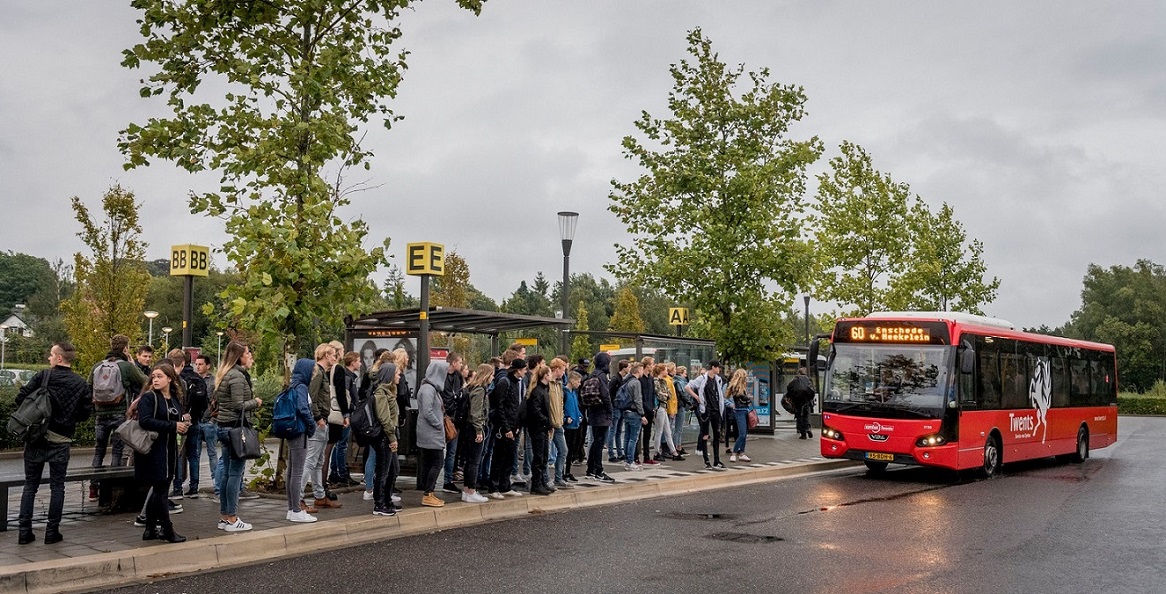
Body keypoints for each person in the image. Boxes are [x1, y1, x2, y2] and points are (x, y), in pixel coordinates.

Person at [16, 342, 93, 545]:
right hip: (61, 440)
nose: (49, 358)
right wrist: (67, 418)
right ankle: (52, 532)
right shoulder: (80, 383)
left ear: (59, 358)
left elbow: (20, 398)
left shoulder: (43, 376)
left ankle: (24, 532)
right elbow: (85, 414)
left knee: (30, 486)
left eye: (51, 354)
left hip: (36, 438)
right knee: (57, 487)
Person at [135, 363, 190, 543]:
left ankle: (150, 528)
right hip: (154, 450)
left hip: (170, 449)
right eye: (154, 376)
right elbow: (144, 421)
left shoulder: (174, 398)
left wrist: (182, 425)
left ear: (170, 379)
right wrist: (173, 426)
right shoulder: (149, 397)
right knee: (161, 489)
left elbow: (176, 418)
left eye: (160, 376)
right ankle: (167, 528)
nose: (156, 380)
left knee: (162, 487)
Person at [89, 334, 147, 502]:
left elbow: (89, 387)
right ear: (125, 348)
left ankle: (93, 488)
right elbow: (145, 380)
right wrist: (132, 363)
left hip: (100, 414)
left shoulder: (97, 366)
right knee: (117, 451)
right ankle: (112, 488)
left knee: (99, 450)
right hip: (120, 413)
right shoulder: (126, 367)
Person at [214, 340, 261, 532]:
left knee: (227, 474)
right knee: (235, 474)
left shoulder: (225, 373)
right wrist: (255, 402)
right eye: (248, 353)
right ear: (239, 357)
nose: (250, 357)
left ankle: (225, 517)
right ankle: (233, 518)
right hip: (235, 429)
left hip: (224, 427)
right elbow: (238, 405)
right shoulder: (237, 376)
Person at [302, 343, 341, 512]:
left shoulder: (321, 373)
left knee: (319, 461)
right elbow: (312, 397)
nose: (335, 358)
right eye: (333, 355)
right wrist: (318, 418)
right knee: (311, 460)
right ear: (326, 355)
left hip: (322, 420)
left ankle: (319, 496)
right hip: (318, 421)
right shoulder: (318, 373)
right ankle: (299, 498)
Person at [170, 349, 209, 499]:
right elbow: (204, 403)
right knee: (193, 455)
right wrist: (195, 416)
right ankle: (194, 488)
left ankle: (177, 488)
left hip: (179, 422)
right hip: (195, 421)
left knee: (178, 455)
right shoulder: (198, 378)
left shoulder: (177, 379)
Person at [285, 358, 319, 523]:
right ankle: (296, 510)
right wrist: (311, 425)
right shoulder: (302, 387)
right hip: (300, 430)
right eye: (312, 371)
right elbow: (303, 408)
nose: (313, 375)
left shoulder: (293, 384)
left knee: (292, 471)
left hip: (292, 430)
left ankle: (292, 509)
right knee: (297, 472)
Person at [488, 357, 526, 499]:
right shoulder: (505, 382)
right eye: (524, 369)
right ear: (518, 370)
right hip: (503, 427)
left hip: (513, 425)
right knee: (499, 456)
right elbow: (500, 406)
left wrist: (516, 426)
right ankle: (494, 486)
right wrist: (506, 427)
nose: (525, 372)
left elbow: (515, 407)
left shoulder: (515, 383)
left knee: (509, 457)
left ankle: (505, 485)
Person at [415, 360, 449, 507]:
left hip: (430, 432)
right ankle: (428, 493)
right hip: (431, 432)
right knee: (438, 462)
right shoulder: (428, 390)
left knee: (432, 462)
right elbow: (427, 411)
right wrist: (438, 424)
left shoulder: (430, 388)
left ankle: (429, 492)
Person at [371, 362, 402, 515]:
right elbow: (384, 417)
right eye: (397, 373)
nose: (399, 376)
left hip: (389, 435)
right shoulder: (381, 393)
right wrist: (392, 437)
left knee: (393, 469)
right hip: (384, 437)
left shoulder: (389, 391)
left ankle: (387, 499)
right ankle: (379, 503)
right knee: (383, 470)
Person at [460, 363, 492, 503]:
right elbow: (475, 412)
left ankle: (467, 489)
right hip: (475, 428)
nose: (492, 377)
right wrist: (479, 430)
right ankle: (471, 490)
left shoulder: (472, 387)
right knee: (474, 460)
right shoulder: (480, 390)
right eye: (491, 375)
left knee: (470, 460)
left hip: (469, 427)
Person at [190, 354, 219, 500]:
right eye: (196, 364)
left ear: (208, 366)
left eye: (200, 364)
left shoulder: (213, 381)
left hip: (208, 421)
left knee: (212, 452)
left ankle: (215, 481)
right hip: (196, 420)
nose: (197, 366)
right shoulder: (193, 380)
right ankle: (193, 484)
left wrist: (213, 419)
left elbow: (217, 400)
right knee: (195, 454)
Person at [584, 353, 616, 483]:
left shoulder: (593, 374)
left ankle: (590, 469)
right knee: (600, 442)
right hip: (602, 412)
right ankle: (598, 470)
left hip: (593, 411)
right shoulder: (602, 376)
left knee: (595, 441)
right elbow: (605, 395)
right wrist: (610, 411)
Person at [687, 361, 725, 469]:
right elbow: (688, 387)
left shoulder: (718, 379)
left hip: (716, 409)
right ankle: (706, 461)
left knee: (717, 434)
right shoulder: (703, 378)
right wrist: (697, 397)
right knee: (705, 434)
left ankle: (717, 460)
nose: (719, 369)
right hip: (706, 410)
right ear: (713, 367)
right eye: (718, 367)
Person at [524, 365, 554, 495]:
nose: (551, 375)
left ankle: (541, 482)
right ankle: (536, 484)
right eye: (550, 373)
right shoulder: (538, 391)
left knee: (544, 456)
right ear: (545, 376)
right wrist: (546, 421)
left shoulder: (544, 390)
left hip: (543, 427)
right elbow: (535, 411)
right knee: (539, 456)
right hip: (538, 428)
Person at [440, 352, 465, 495]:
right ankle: (443, 480)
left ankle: (448, 480)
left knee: (452, 451)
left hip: (455, 419)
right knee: (442, 451)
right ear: (454, 363)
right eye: (460, 362)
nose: (461, 365)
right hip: (445, 417)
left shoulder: (458, 377)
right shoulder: (443, 376)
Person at [547, 358, 571, 489]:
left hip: (558, 422)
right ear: (556, 369)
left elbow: (560, 403)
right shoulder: (548, 384)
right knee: (546, 453)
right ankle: (546, 479)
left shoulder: (559, 385)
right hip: (550, 423)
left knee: (563, 450)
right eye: (562, 370)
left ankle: (558, 477)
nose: (564, 373)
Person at [651, 364, 682, 461]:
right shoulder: (656, 381)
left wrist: (665, 395)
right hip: (659, 407)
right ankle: (657, 452)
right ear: (661, 371)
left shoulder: (663, 381)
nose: (666, 372)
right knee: (659, 431)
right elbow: (661, 396)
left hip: (663, 407)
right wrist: (665, 395)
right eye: (665, 370)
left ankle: (673, 452)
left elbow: (669, 394)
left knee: (667, 430)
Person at [621, 363, 647, 471]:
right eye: (641, 370)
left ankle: (627, 459)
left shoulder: (627, 381)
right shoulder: (636, 382)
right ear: (638, 371)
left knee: (627, 437)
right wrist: (642, 414)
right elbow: (638, 399)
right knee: (633, 438)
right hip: (634, 412)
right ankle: (630, 461)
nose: (642, 372)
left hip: (626, 411)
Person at [727, 368, 753, 462]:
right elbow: (742, 397)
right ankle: (734, 453)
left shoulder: (741, 386)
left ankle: (742, 453)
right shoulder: (736, 387)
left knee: (744, 434)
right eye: (745, 376)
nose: (746, 378)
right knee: (742, 434)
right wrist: (748, 399)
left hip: (744, 410)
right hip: (740, 411)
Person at [562, 370, 583, 483]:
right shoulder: (565, 392)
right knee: (565, 449)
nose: (579, 384)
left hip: (575, 424)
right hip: (568, 425)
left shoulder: (574, 393)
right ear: (571, 380)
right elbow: (562, 407)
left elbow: (576, 407)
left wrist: (580, 416)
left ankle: (568, 471)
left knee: (571, 449)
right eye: (578, 381)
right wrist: (565, 419)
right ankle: (562, 472)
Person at [786, 367, 817, 439]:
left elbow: (789, 388)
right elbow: (812, 390)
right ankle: (808, 428)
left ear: (799, 373)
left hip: (797, 401)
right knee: (806, 415)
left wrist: (790, 397)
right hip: (806, 401)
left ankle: (803, 434)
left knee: (799, 416)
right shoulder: (808, 379)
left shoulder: (795, 379)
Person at [671, 365, 690, 455]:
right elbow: (683, 394)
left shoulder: (675, 381)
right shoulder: (680, 382)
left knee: (677, 428)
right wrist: (689, 402)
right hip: (680, 405)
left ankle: (678, 446)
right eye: (685, 373)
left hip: (678, 405)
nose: (686, 375)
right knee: (678, 428)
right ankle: (677, 446)